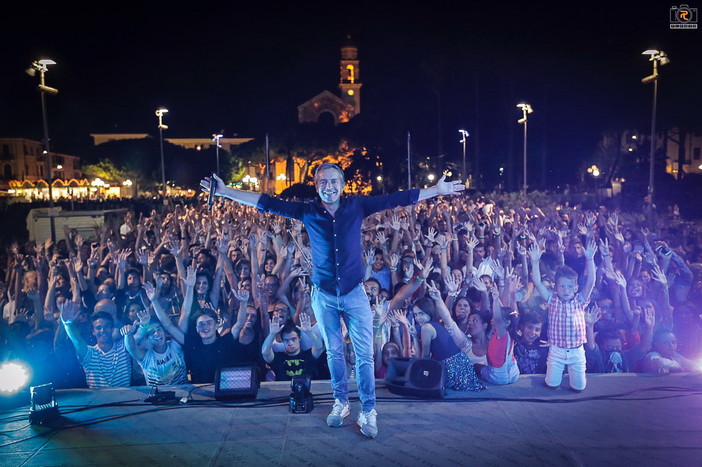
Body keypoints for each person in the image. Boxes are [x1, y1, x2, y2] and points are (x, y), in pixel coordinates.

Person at [201, 163, 465, 438]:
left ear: (342, 184)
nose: (328, 187)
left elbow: (398, 198)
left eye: (333, 181)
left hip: (354, 294)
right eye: (322, 182)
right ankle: (341, 402)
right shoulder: (308, 211)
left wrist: (436, 190)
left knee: (363, 356)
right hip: (324, 296)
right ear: (316, 186)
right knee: (334, 352)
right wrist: (224, 191)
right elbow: (266, 203)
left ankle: (368, 410)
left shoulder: (357, 207)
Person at [530, 239, 597, 391]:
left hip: (577, 351)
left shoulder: (580, 300)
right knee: (552, 384)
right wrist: (535, 261)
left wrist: (590, 258)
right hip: (556, 351)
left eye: (569, 287)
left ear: (575, 288)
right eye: (561, 286)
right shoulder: (552, 300)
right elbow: (537, 282)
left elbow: (591, 281)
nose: (565, 290)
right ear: (556, 288)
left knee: (578, 388)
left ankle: (575, 379)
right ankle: (554, 378)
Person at [59, 301, 131, 388]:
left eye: (106, 326)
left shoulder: (123, 347)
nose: (102, 330)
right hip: (98, 401)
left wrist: (143, 327)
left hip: (125, 399)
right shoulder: (90, 352)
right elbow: (77, 341)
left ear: (112, 329)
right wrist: (68, 324)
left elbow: (139, 335)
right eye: (98, 328)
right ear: (93, 332)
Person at [262, 312, 324, 381]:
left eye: (293, 339)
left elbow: (319, 347)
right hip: (283, 390)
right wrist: (272, 334)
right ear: (282, 341)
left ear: (299, 338)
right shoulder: (278, 358)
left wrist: (309, 332)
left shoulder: (308, 355)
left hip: (307, 390)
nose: (290, 343)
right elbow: (265, 353)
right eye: (286, 340)